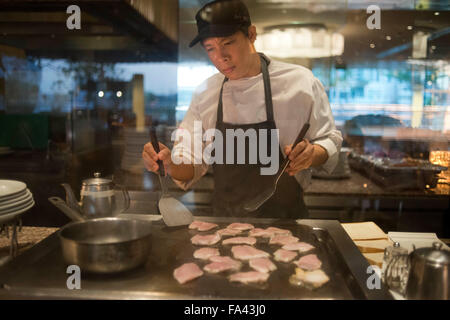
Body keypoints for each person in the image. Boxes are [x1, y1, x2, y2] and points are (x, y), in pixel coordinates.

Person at [143, 0, 342, 218]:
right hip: (225, 224)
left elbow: (329, 139)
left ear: (251, 34)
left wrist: (313, 154)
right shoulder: (205, 93)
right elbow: (191, 161)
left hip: (287, 223)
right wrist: (170, 163)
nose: (221, 57)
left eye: (228, 43)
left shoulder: (300, 82)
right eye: (211, 48)